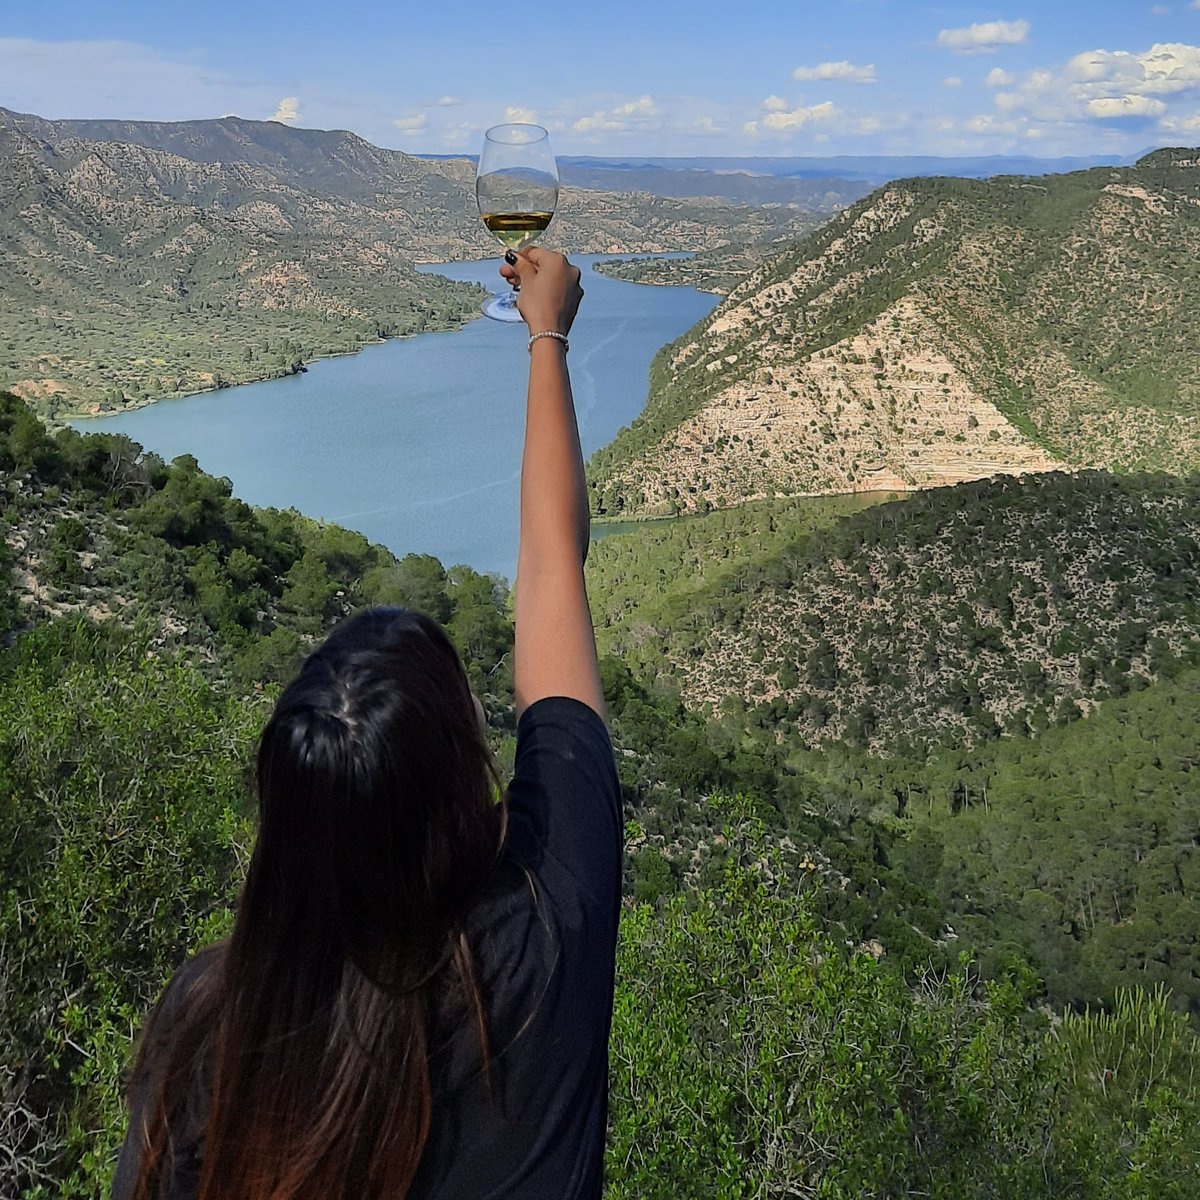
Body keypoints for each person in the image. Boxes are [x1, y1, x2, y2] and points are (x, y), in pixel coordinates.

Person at [112, 248, 622, 1199]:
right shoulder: (548, 937)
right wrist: (547, 337)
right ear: (462, 788)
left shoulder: (208, 1028)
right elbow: (554, 565)